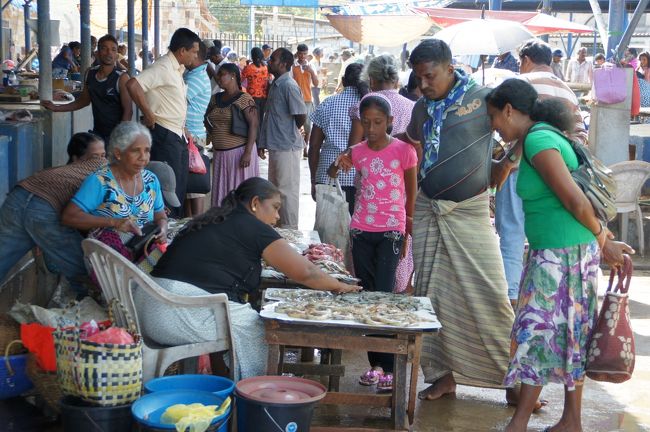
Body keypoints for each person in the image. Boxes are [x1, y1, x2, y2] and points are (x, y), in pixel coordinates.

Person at [399, 39, 528, 407]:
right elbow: (412, 145)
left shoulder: (484, 99)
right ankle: (443, 377)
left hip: (470, 212)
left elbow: (526, 129)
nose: (423, 84)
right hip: (428, 210)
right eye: (419, 77)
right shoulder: (422, 108)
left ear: (449, 67)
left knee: (491, 294)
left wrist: (505, 165)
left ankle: (514, 382)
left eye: (430, 76)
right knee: (430, 296)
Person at [485, 78, 617, 432]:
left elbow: (574, 200)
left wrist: (604, 240)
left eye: (495, 117)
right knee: (567, 333)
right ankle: (568, 421)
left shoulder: (540, 140)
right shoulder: (534, 137)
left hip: (563, 255)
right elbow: (500, 173)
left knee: (534, 332)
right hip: (561, 251)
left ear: (510, 110)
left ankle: (520, 423)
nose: (493, 126)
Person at [136, 177, 360, 379]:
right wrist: (339, 285)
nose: (277, 216)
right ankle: (253, 394)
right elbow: (306, 273)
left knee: (235, 314)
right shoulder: (252, 226)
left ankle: (225, 388)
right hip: (172, 311)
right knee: (258, 328)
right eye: (274, 208)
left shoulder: (215, 218)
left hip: (148, 307)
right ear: (255, 203)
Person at [329, 94, 417, 392]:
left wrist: (408, 229)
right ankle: (375, 366)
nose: (371, 128)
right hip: (361, 230)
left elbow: (411, 194)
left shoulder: (404, 151)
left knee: (385, 295)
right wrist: (338, 163)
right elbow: (331, 173)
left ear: (391, 122)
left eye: (378, 122)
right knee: (367, 296)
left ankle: (389, 365)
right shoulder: (357, 151)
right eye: (366, 123)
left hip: (392, 230)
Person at [495, 40, 589, 306]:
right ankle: (535, 297)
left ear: (525, 59)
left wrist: (507, 161)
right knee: (542, 236)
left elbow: (527, 131)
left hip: (522, 168)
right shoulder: (567, 90)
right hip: (563, 171)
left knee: (512, 233)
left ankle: (510, 296)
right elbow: (580, 134)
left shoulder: (523, 84)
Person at [0, 133, 106, 296]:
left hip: (17, 198)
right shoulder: (103, 175)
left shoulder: (61, 171)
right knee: (84, 270)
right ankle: (93, 313)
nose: (100, 161)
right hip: (43, 209)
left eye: (103, 156)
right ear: (76, 158)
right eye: (94, 157)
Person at [62, 122, 169, 255]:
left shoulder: (151, 180)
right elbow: (69, 217)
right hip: (109, 264)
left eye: (147, 150)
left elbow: (160, 217)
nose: (143, 157)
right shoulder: (101, 181)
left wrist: (163, 230)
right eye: (136, 150)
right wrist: (114, 222)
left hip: (142, 252)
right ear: (118, 153)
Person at [126, 28, 201, 217]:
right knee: (168, 190)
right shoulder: (163, 67)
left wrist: (183, 128)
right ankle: (163, 234)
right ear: (182, 51)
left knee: (179, 188)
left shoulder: (177, 69)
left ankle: (173, 231)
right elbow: (133, 85)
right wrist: (148, 113)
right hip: (163, 134)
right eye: (194, 51)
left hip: (177, 134)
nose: (196, 55)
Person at [42, 35, 133, 143]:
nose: (109, 53)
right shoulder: (90, 73)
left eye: (113, 49)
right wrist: (56, 108)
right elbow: (83, 101)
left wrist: (120, 138)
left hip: (117, 137)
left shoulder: (122, 78)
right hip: (98, 135)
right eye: (105, 48)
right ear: (97, 52)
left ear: (116, 54)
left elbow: (128, 111)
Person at [258, 48, 307, 229]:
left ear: (284, 64)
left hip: (287, 146)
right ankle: (280, 231)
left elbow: (301, 115)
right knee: (276, 191)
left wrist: (290, 130)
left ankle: (290, 231)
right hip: (277, 145)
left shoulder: (288, 85)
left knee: (287, 192)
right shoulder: (276, 84)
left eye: (273, 59)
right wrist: (263, 142)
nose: (269, 61)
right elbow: (270, 116)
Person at [309, 63, 368, 214]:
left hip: (327, 177)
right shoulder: (368, 106)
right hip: (358, 177)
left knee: (329, 230)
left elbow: (314, 146)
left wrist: (313, 179)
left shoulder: (327, 103)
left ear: (343, 80)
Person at [205, 63, 259, 207]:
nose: (218, 77)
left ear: (233, 76)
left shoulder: (244, 98)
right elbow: (205, 117)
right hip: (221, 154)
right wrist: (213, 133)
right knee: (222, 192)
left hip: (240, 154)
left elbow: (254, 125)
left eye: (222, 74)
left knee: (240, 193)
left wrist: (247, 153)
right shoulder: (215, 98)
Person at [348, 54, 415, 147]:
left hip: (370, 160)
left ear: (371, 81)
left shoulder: (363, 107)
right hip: (405, 161)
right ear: (396, 82)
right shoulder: (412, 107)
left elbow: (353, 148)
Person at [183, 39, 212, 217]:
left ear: (196, 55)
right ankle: (188, 224)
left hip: (193, 134)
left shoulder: (198, 78)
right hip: (190, 133)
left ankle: (197, 223)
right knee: (189, 188)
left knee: (195, 187)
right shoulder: (192, 74)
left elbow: (179, 100)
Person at [292, 44, 319, 157]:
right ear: (297, 53)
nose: (302, 56)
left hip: (307, 100)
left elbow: (316, 84)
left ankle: (305, 148)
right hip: (295, 99)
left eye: (305, 54)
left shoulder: (311, 66)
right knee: (295, 123)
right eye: (300, 53)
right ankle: (295, 145)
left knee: (308, 125)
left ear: (307, 54)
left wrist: (311, 72)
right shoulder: (292, 66)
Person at [241, 47, 270, 126]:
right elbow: (269, 78)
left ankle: (254, 136)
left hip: (252, 96)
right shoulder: (265, 67)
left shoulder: (248, 68)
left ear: (252, 56)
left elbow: (240, 79)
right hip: (264, 96)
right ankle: (260, 136)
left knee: (253, 118)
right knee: (261, 118)